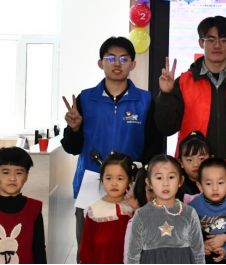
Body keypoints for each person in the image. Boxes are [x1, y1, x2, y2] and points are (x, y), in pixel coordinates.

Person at [61, 36, 164, 262]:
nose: (117, 63)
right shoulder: (85, 99)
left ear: (133, 64)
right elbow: (72, 147)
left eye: (124, 59)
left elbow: (154, 147)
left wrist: (141, 180)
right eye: (111, 58)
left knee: (130, 251)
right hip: (91, 184)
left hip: (130, 189)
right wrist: (74, 129)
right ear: (101, 63)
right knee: (89, 252)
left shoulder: (145, 100)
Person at [156, 16, 226, 159]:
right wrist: (165, 95)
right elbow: (166, 128)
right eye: (211, 40)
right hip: (194, 166)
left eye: (223, 40)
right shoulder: (184, 82)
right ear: (201, 42)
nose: (217, 45)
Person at [125, 155, 205, 264]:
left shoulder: (189, 213)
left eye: (171, 177)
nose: (165, 183)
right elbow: (132, 256)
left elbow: (198, 254)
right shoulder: (141, 215)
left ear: (180, 181)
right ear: (149, 183)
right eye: (159, 178)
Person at [0, 147, 46, 264]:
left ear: (26, 176)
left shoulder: (34, 209)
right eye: (6, 172)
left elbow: (39, 250)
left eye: (19, 173)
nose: (12, 178)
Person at [80, 153, 137, 264]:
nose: (114, 183)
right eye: (109, 178)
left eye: (120, 178)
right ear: (102, 179)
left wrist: (137, 209)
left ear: (130, 180)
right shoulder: (93, 210)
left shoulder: (134, 208)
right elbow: (86, 248)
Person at [190, 158, 226, 263]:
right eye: (209, 184)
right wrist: (198, 246)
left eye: (220, 183)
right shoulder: (193, 206)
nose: (215, 188)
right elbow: (184, 231)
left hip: (225, 258)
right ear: (200, 186)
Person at [178, 131, 213, 202]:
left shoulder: (219, 182)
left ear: (211, 159)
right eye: (189, 160)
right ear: (181, 163)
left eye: (201, 159)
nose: (196, 164)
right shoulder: (177, 186)